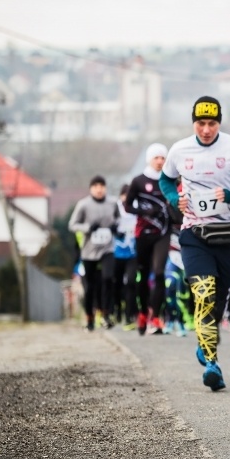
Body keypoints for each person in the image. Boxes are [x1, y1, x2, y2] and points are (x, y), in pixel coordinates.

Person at [159, 96, 230, 392]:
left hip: (228, 235)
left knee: (218, 302)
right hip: (194, 235)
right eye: (201, 123)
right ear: (194, 123)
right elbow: (165, 180)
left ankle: (205, 344)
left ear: (219, 123)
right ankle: (212, 363)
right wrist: (175, 200)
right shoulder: (179, 150)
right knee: (203, 294)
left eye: (212, 123)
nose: (206, 129)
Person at [124, 143, 172, 336]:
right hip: (142, 234)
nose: (160, 161)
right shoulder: (138, 181)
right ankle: (143, 312)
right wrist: (144, 211)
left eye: (163, 158)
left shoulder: (169, 180)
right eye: (156, 158)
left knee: (159, 273)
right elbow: (127, 206)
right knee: (143, 276)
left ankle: (156, 316)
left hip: (163, 233)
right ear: (149, 160)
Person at [68, 175, 119, 331]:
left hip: (107, 248)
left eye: (102, 186)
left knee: (108, 278)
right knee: (90, 286)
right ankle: (89, 316)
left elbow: (119, 219)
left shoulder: (112, 203)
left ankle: (106, 314)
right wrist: (88, 228)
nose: (99, 189)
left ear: (105, 188)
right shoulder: (83, 205)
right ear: (91, 188)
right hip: (89, 251)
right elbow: (72, 225)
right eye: (96, 186)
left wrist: (114, 227)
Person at [113, 184, 138, 327]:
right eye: (125, 194)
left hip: (132, 253)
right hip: (116, 252)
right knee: (116, 284)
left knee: (130, 283)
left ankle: (129, 315)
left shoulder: (136, 208)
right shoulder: (115, 207)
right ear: (121, 196)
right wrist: (116, 231)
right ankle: (117, 308)